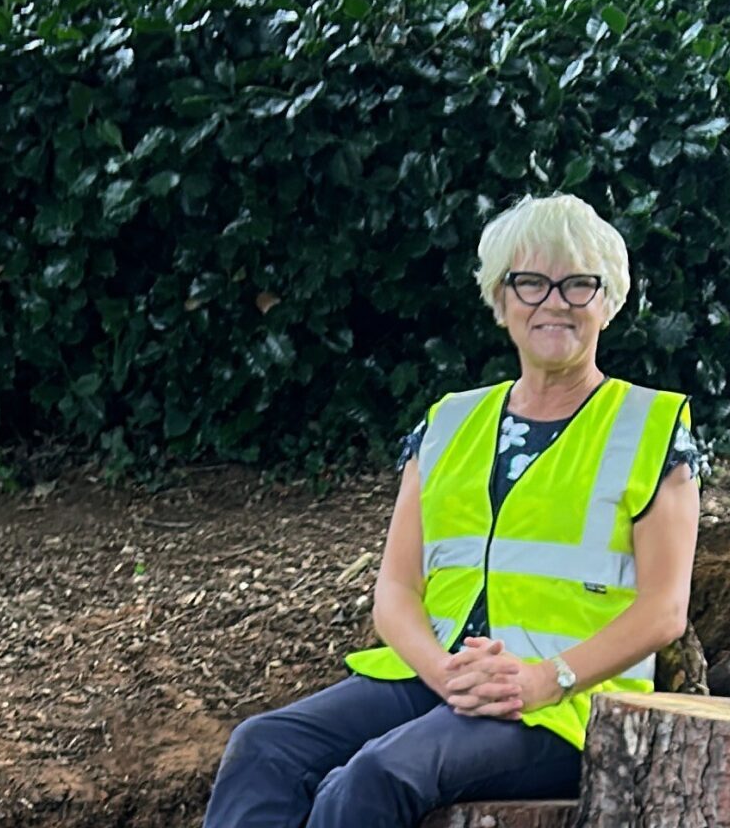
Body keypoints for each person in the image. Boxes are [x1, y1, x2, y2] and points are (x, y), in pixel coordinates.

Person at [202, 194, 703, 828]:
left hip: (566, 703)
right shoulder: (448, 422)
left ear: (609, 300)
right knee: (264, 746)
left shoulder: (650, 427)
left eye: (578, 284)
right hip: (436, 680)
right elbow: (396, 588)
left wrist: (548, 679)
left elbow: (664, 610)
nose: (554, 302)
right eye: (530, 283)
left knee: (371, 779)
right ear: (501, 300)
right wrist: (442, 674)